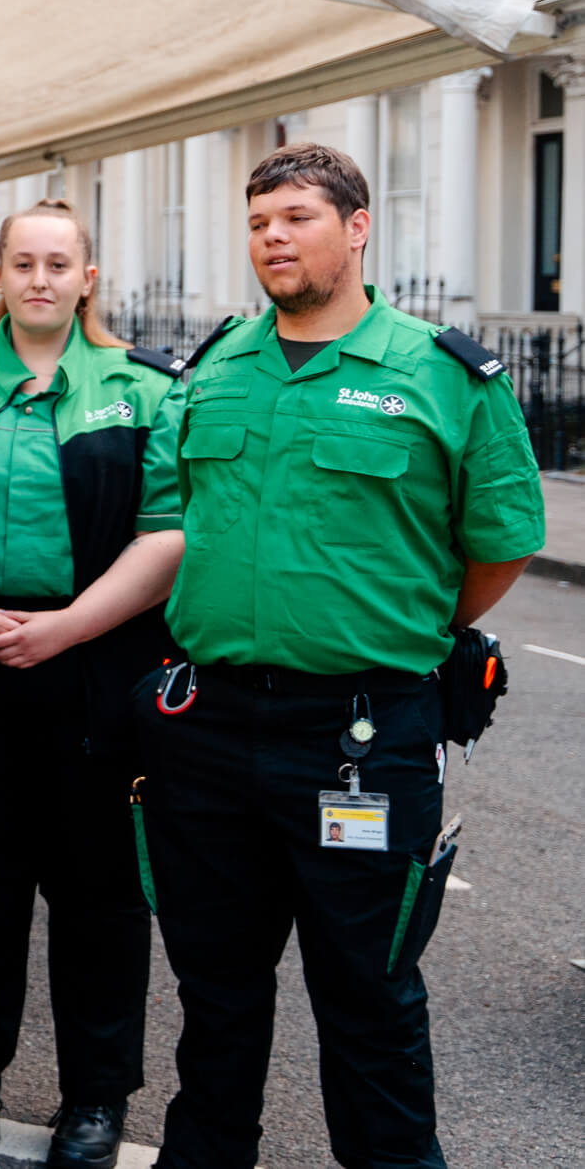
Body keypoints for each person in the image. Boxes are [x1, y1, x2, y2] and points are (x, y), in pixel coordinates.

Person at [139, 144, 542, 1169]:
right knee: (215, 996)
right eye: (259, 218)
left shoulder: (440, 372)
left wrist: (399, 626)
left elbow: (500, 540)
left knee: (368, 999)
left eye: (298, 216)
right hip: (213, 727)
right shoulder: (217, 364)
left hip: (363, 731)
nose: (273, 235)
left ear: (356, 227)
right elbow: (183, 519)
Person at [0, 199, 185, 1169]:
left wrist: (66, 627)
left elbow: (166, 531)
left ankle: (95, 1097)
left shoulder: (143, 389)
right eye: (21, 260)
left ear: (87, 276)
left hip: (97, 664)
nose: (38, 277)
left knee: (99, 891)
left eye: (57, 262)